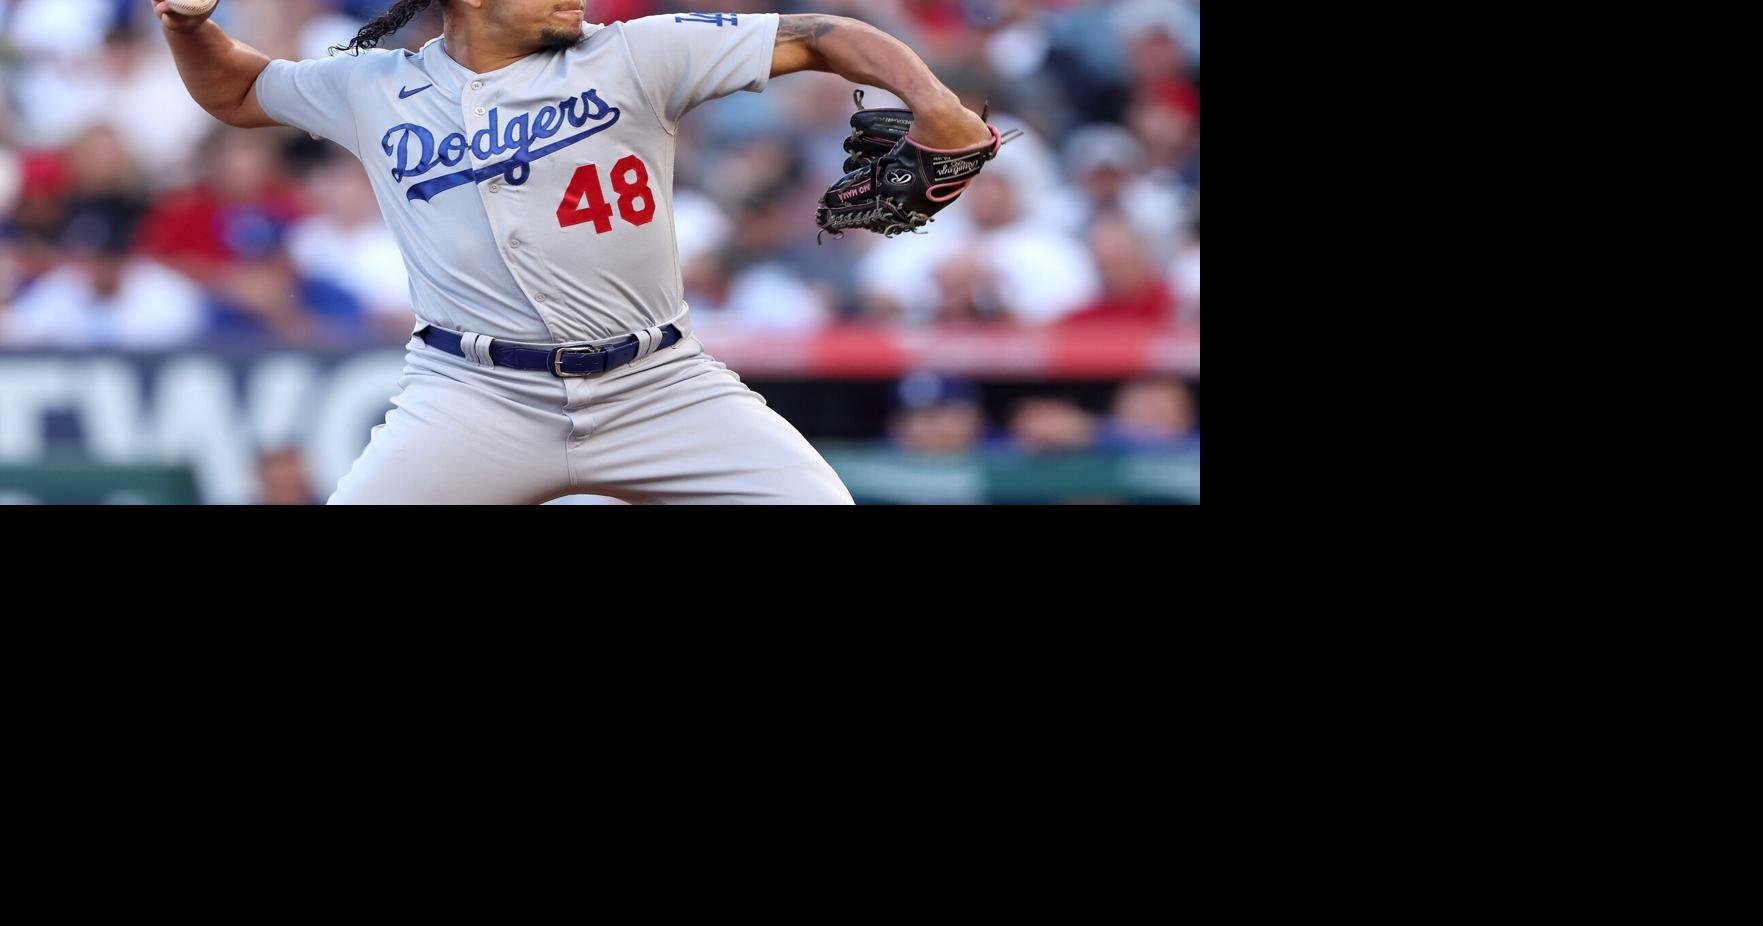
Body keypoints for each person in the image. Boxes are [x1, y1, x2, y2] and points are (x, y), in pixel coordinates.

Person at [150, 0, 994, 503]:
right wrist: (189, 24)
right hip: (473, 395)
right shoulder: (370, 86)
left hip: (660, 385)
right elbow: (237, 87)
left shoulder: (635, 51)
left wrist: (935, 101)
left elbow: (823, 34)